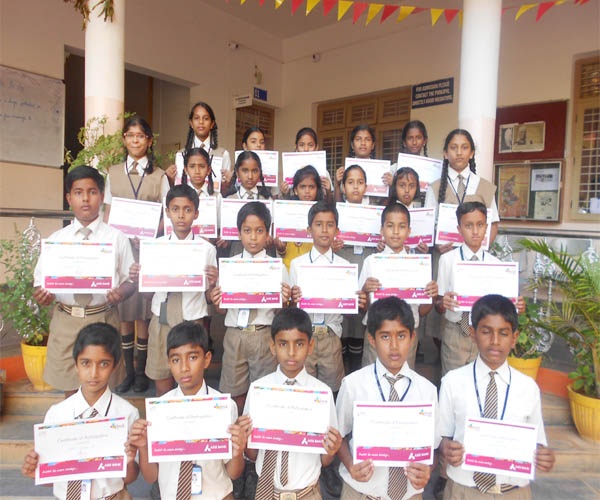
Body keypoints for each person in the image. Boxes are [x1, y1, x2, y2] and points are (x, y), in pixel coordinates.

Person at [438, 294, 555, 499]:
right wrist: (445, 448)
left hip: (513, 492)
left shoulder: (528, 388)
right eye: (486, 332)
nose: (495, 341)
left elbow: (537, 444)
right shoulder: (452, 382)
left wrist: (544, 456)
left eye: (503, 333)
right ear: (473, 334)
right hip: (464, 491)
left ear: (514, 338)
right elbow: (442, 436)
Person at [33, 166, 135, 395]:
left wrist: (121, 293)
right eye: (78, 192)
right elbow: (39, 283)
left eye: (92, 192)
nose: (86, 199)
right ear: (69, 198)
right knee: (70, 389)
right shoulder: (57, 241)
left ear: (102, 196)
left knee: (104, 389)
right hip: (66, 321)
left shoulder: (117, 238)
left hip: (103, 318)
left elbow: (130, 281)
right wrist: (42, 295)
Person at [128, 321, 249, 499]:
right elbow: (151, 477)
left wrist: (238, 452)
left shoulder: (223, 407)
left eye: (192, 357)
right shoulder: (160, 410)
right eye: (176, 360)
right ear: (169, 363)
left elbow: (233, 473)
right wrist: (144, 447)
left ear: (207, 359)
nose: (184, 367)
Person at [22, 323, 140, 499]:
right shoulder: (57, 414)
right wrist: (35, 470)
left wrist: (129, 461)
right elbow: (51, 478)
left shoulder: (127, 414)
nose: (93, 373)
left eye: (104, 364)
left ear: (115, 366)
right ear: (76, 364)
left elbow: (130, 477)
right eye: (86, 363)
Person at [336, 297, 438, 499]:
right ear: (372, 340)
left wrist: (428, 469)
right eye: (385, 337)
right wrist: (350, 464)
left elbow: (434, 447)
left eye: (401, 336)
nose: (394, 346)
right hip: (361, 492)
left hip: (409, 495)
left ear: (412, 337)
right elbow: (339, 435)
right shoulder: (353, 385)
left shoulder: (427, 390)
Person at [244, 308, 342, 500]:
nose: (291, 352)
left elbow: (324, 459)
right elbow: (253, 453)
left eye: (299, 344)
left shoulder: (321, 394)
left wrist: (332, 449)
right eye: (283, 344)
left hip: (307, 493)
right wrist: (243, 439)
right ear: (272, 346)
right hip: (266, 492)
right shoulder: (258, 390)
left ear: (310, 346)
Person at [104, 116, 169, 394]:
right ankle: (127, 372)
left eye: (140, 136)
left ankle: (141, 372)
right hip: (121, 249)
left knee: (142, 311)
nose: (135, 140)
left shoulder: (159, 176)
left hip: (148, 250)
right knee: (124, 312)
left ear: (149, 141)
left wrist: (148, 233)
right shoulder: (113, 173)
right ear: (124, 139)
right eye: (130, 135)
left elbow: (168, 215)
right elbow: (107, 213)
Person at [136, 184, 218, 396]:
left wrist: (213, 283)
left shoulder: (207, 249)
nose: (181, 215)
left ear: (196, 213)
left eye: (187, 210)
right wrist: (140, 279)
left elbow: (209, 297)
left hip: (193, 320)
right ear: (167, 212)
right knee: (162, 378)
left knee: (191, 380)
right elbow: (147, 295)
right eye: (175, 209)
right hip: (161, 320)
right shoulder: (155, 248)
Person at [210, 201, 291, 413]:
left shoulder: (277, 268)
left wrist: (284, 301)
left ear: (268, 234)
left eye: (259, 231)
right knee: (234, 392)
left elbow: (281, 312)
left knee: (263, 393)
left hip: (264, 334)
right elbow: (221, 310)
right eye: (247, 231)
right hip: (234, 334)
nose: (253, 237)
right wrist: (217, 301)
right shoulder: (229, 266)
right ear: (239, 234)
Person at [435, 202, 525, 376]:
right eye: (468, 226)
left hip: (486, 334)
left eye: (480, 225)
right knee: (453, 380)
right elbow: (438, 306)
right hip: (455, 333)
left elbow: (503, 307)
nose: (475, 231)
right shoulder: (447, 260)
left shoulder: (496, 265)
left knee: (483, 378)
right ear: (459, 229)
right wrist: (443, 302)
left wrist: (517, 306)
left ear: (486, 227)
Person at [360, 203, 438, 368]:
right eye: (390, 226)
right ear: (381, 230)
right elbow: (363, 308)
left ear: (409, 231)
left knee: (403, 377)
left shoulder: (419, 265)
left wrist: (432, 296)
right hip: (377, 332)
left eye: (401, 227)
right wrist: (365, 291)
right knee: (372, 376)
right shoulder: (371, 262)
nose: (395, 232)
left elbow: (422, 311)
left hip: (406, 333)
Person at [290, 201, 357, 392]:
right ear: (309, 230)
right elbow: (291, 307)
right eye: (318, 224)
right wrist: (293, 298)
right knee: (304, 390)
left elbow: (350, 313)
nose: (324, 230)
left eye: (330, 225)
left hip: (331, 336)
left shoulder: (345, 267)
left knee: (332, 390)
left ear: (337, 230)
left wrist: (352, 301)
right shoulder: (297, 264)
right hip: (305, 335)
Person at [333, 165, 375, 373]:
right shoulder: (336, 212)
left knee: (359, 323)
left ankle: (356, 370)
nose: (355, 187)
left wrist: (380, 244)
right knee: (343, 322)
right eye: (350, 182)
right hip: (343, 263)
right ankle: (342, 372)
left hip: (364, 263)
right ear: (343, 187)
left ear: (366, 187)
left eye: (360, 182)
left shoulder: (375, 213)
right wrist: (332, 245)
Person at [166, 101, 232, 193]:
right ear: (191, 123)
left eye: (206, 118)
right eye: (197, 118)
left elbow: (225, 190)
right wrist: (170, 179)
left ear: (212, 124)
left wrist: (228, 183)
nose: (201, 122)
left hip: (213, 200)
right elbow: (178, 186)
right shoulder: (181, 154)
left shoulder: (223, 154)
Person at [274, 165, 323, 270]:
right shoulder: (286, 211)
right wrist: (281, 248)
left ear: (317, 189)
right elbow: (282, 250)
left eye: (311, 187)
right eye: (302, 187)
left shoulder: (322, 213)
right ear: (295, 190)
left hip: (314, 268)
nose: (307, 191)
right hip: (289, 266)